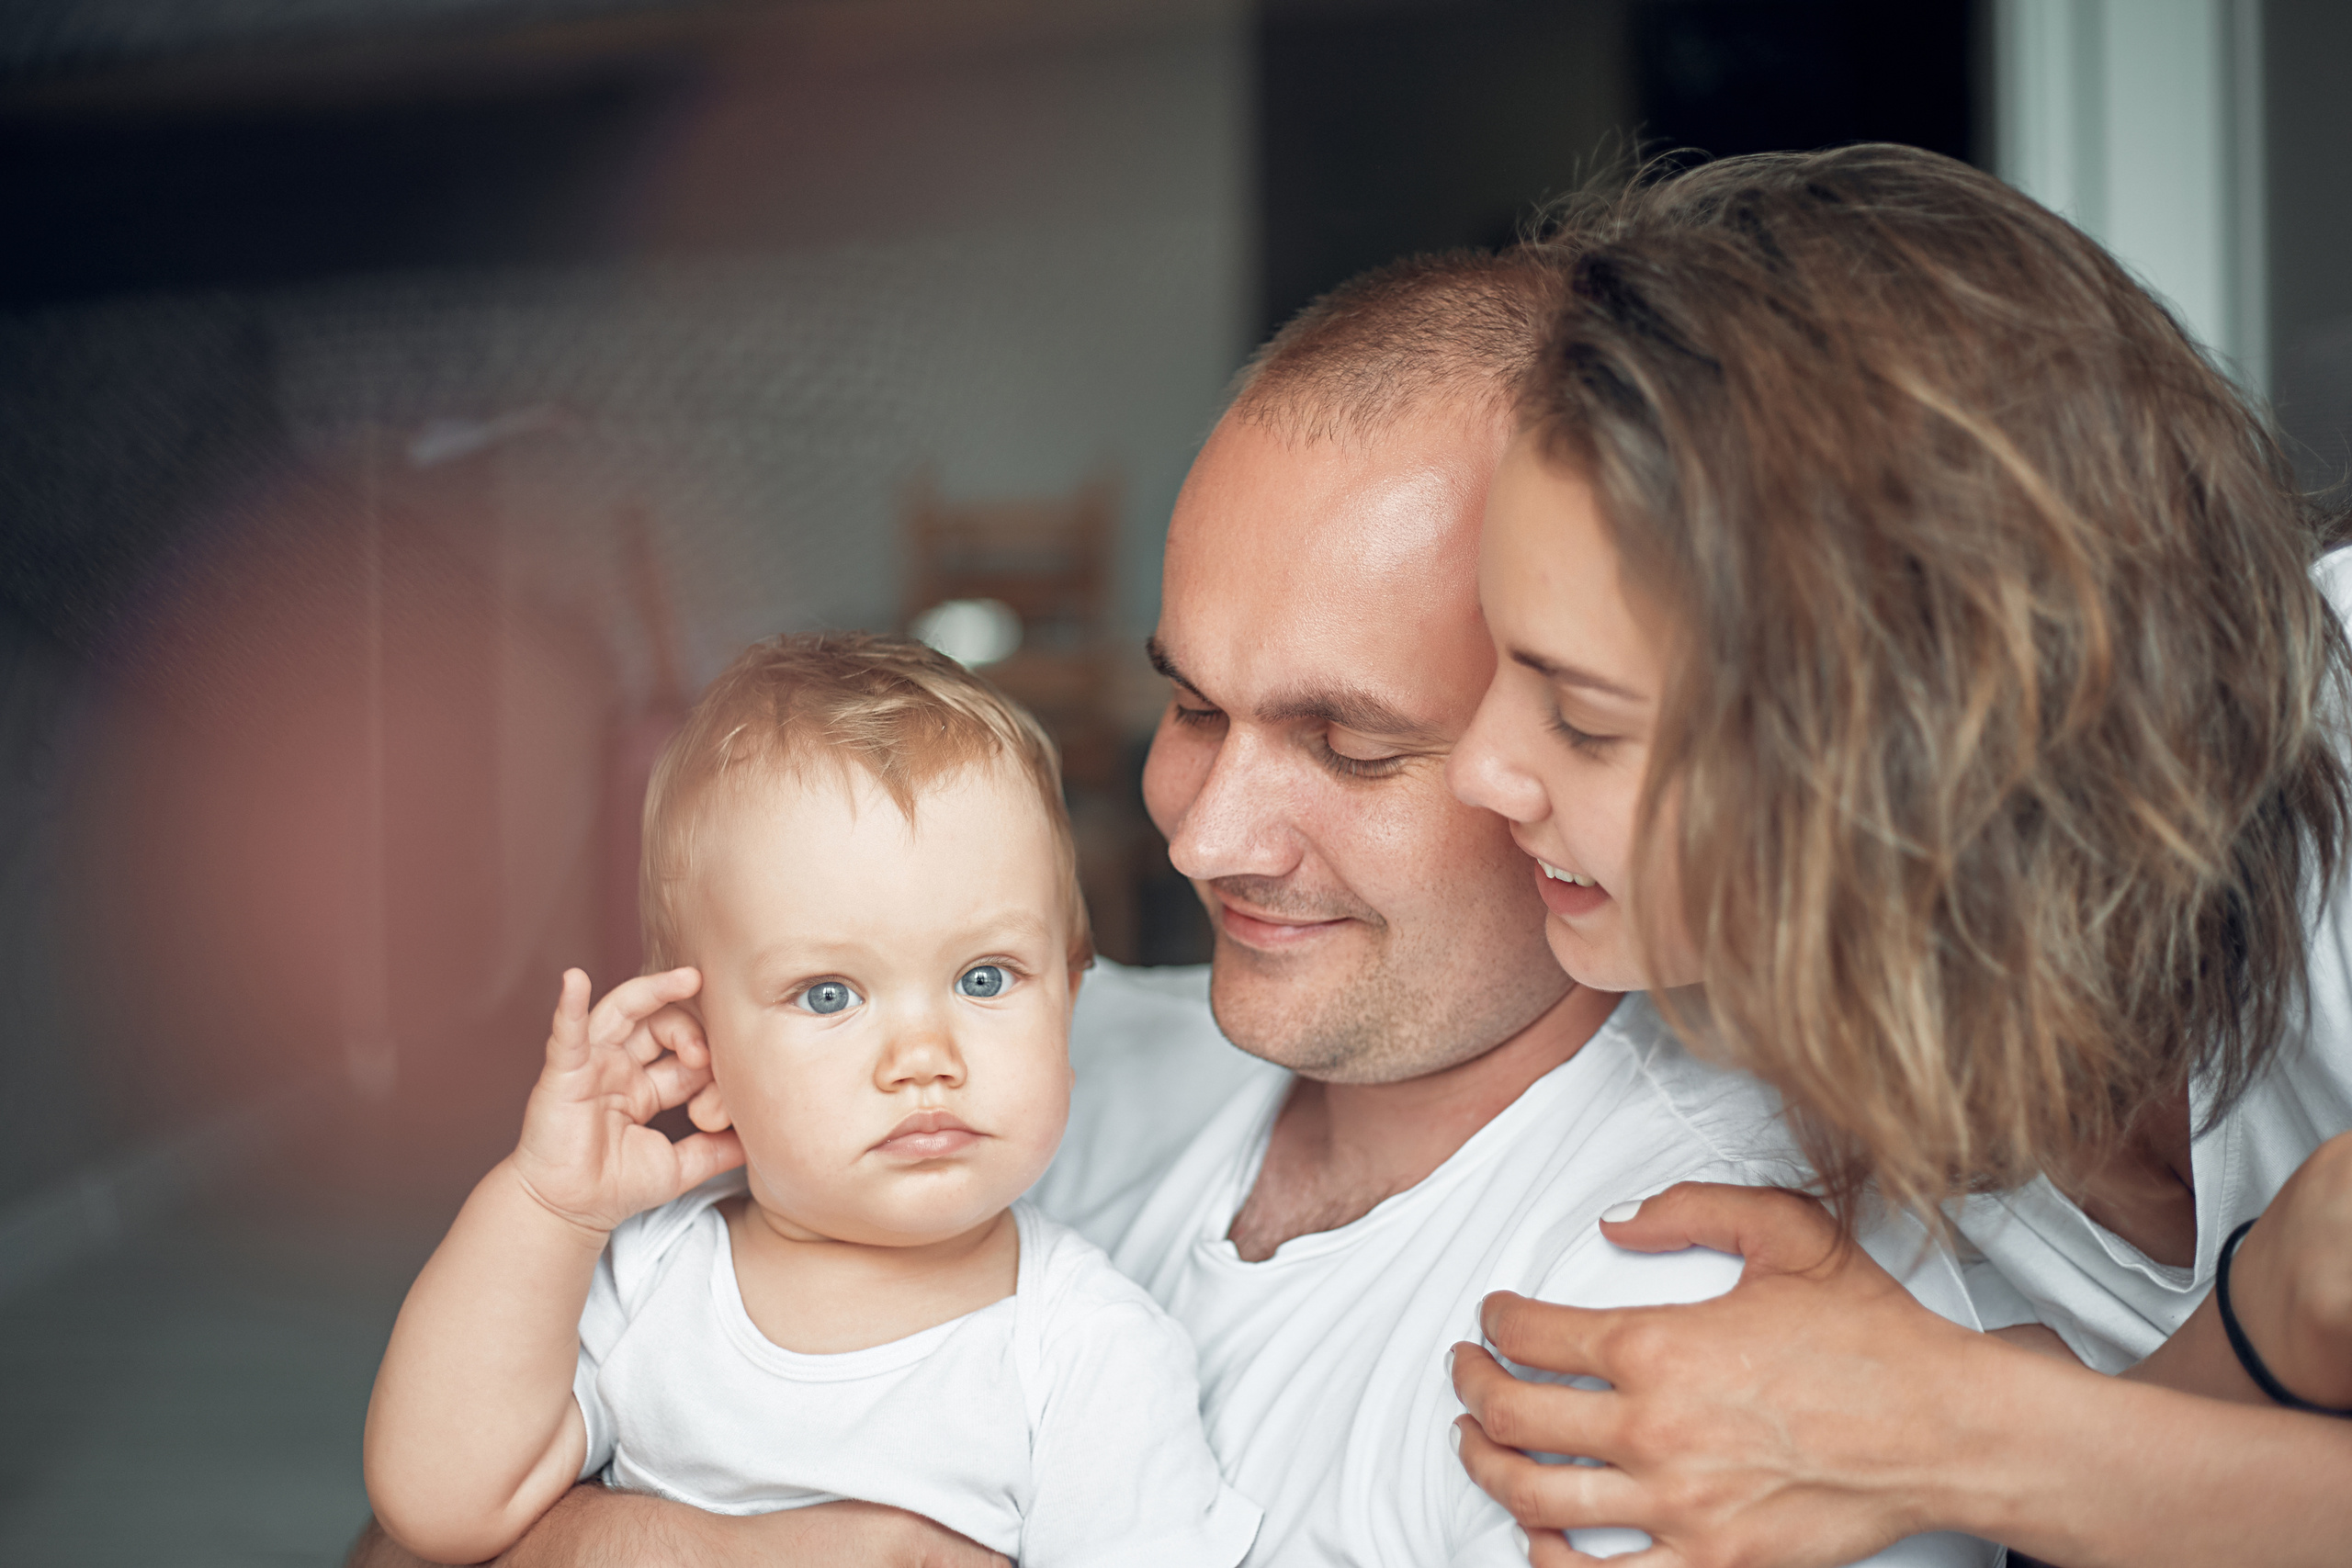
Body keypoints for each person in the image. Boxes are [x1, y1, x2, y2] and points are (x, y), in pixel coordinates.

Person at [348, 253, 1991, 1568]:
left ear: (1570, 736)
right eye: (1193, 710)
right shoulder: (1028, 1061)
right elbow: (406, 1528)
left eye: (1347, 742)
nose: (1205, 837)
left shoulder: (1685, 1324)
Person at [1444, 144, 2352, 1568]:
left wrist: (1946, 1430)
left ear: (1910, 740)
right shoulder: (1776, 1051)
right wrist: (2265, 1327)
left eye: (1583, 717)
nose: (1479, 770)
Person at [361, 635, 1259, 1567]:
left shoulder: (1088, 1354)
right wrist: (548, 1205)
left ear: (1068, 1010)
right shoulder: (651, 1279)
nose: (924, 1057)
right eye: (829, 994)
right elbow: (440, 1506)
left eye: (986, 979)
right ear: (700, 1057)